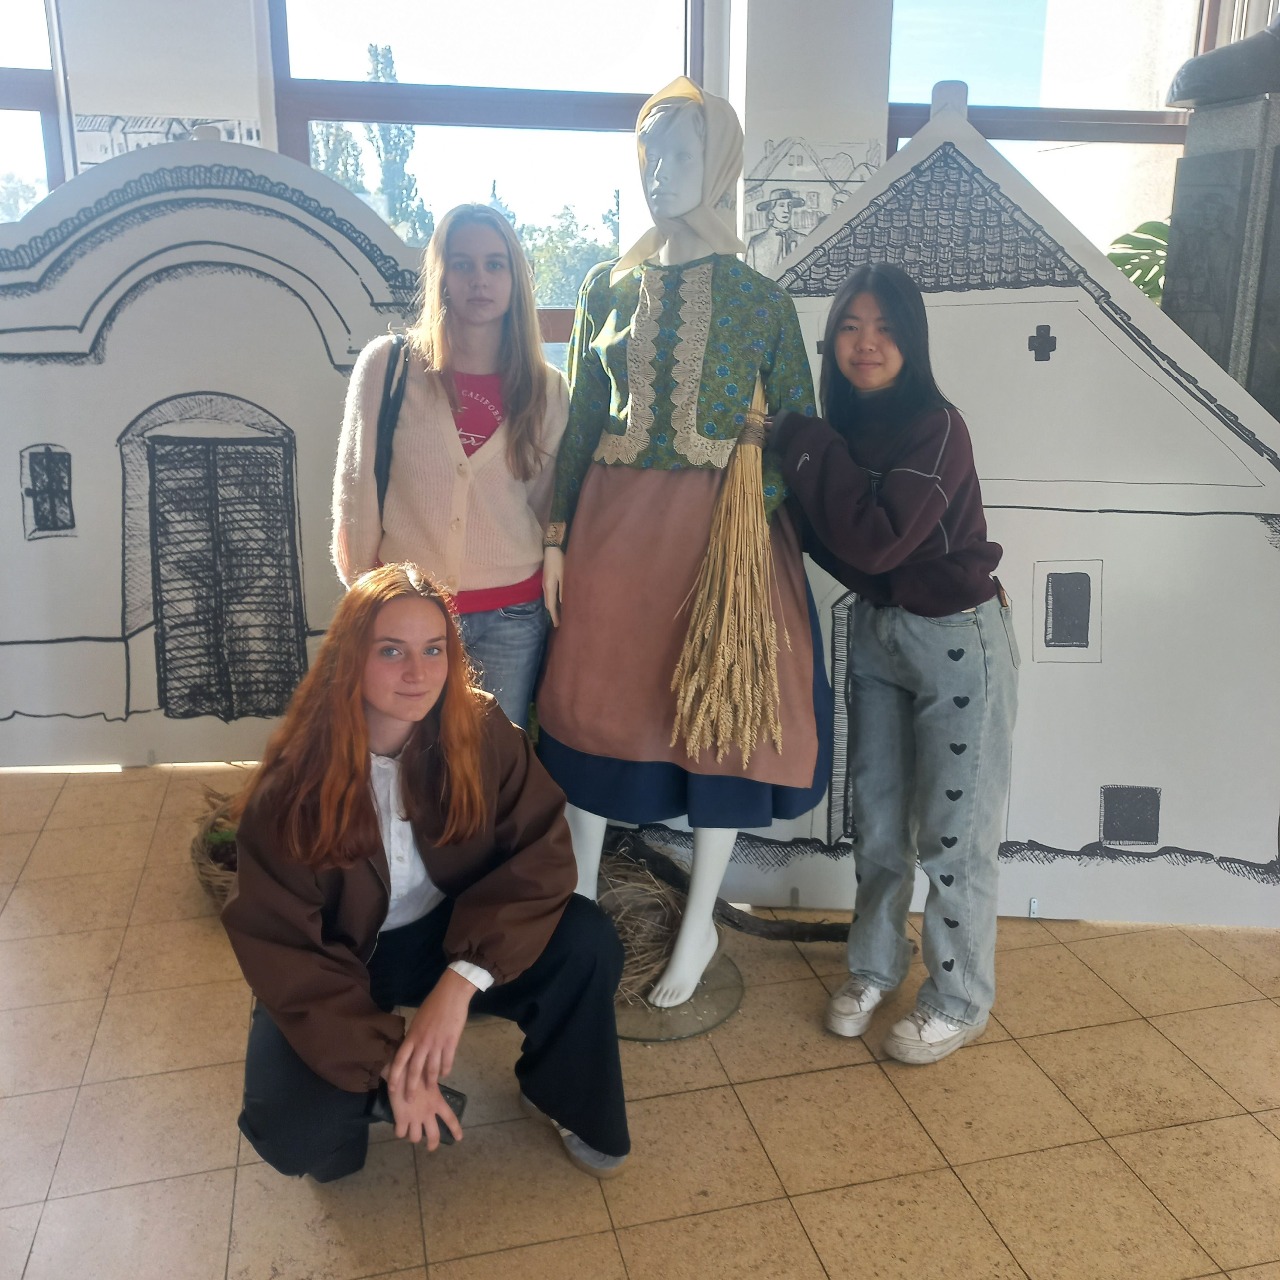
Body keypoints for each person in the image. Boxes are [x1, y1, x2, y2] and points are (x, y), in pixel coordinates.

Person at [538, 77, 830, 1009]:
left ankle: (700, 920)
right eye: (650, 153)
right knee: (595, 708)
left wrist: (751, 510)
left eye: (682, 154)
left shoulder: (762, 301)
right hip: (613, 536)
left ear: (721, 165)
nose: (660, 172)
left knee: (719, 722)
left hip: (721, 546)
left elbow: (800, 429)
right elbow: (582, 422)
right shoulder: (605, 286)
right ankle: (580, 909)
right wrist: (556, 536)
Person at [222, 563, 630, 1181]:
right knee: (300, 1135)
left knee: (586, 940)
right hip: (337, 960)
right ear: (350, 659)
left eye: (433, 649)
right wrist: (392, 1066)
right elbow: (284, 948)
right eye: (392, 651)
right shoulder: (292, 786)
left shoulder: (481, 730)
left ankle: (560, 1092)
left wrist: (460, 982)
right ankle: (369, 1101)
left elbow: (541, 855)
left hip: (449, 934)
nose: (418, 673)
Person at [766, 263, 1018, 1065]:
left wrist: (800, 439)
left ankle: (960, 999)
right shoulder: (840, 433)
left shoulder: (938, 429)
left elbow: (873, 541)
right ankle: (875, 965)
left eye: (883, 327)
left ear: (912, 339)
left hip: (957, 642)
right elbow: (825, 540)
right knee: (878, 827)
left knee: (953, 837)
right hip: (877, 634)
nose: (865, 343)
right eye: (849, 326)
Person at [332, 205, 569, 729]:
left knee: (489, 761)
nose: (479, 279)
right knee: (403, 755)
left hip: (511, 616)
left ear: (515, 278)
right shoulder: (389, 366)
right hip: (407, 618)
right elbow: (356, 493)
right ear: (440, 275)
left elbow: (544, 504)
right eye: (462, 264)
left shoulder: (547, 389)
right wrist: (366, 598)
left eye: (494, 264)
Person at [745, 187, 805, 273]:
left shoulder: (803, 240)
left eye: (789, 205)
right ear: (772, 210)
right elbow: (748, 275)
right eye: (781, 205)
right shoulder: (756, 243)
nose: (786, 210)